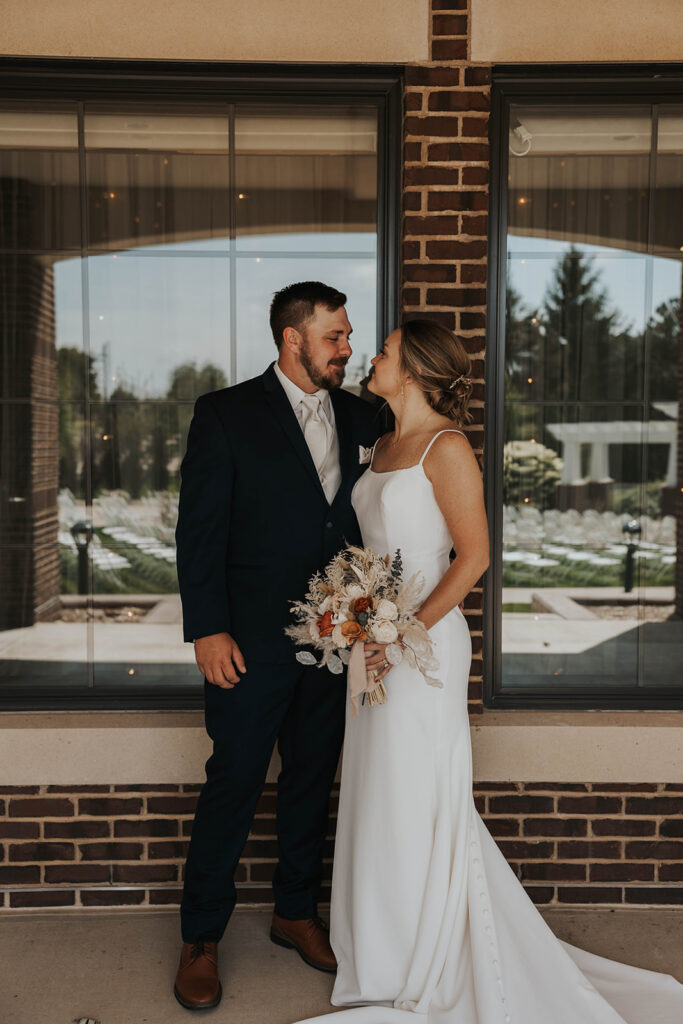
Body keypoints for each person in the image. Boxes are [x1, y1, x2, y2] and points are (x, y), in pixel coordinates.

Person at [293, 319, 683, 1024]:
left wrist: (398, 628)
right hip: (373, 640)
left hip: (424, 645)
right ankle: (378, 951)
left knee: (418, 790)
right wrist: (354, 615)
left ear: (410, 367)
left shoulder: (447, 447)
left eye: (382, 349)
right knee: (376, 790)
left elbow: (472, 557)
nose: (371, 358)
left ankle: (424, 950)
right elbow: (372, 548)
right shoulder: (380, 443)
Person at [173, 281, 381, 1011]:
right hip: (246, 643)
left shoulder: (366, 415)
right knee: (232, 782)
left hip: (334, 643)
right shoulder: (225, 414)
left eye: (349, 336)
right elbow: (198, 530)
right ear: (292, 339)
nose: (347, 348)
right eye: (335, 337)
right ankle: (200, 935)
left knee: (310, 780)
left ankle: (294, 911)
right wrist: (206, 626)